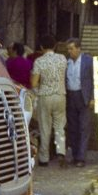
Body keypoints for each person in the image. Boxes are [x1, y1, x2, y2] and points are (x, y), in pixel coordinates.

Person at [30, 34, 68, 167]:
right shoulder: (62, 59)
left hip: (45, 97)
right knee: (59, 126)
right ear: (55, 45)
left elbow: (34, 83)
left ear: (41, 47)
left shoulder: (39, 61)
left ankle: (44, 158)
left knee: (45, 128)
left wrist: (38, 87)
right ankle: (61, 151)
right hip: (60, 95)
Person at [65, 38, 95, 167]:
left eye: (71, 48)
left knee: (84, 127)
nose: (69, 51)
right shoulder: (67, 62)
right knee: (73, 128)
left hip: (84, 96)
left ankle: (81, 158)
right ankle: (75, 155)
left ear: (78, 49)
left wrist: (93, 97)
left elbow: (94, 79)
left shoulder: (88, 61)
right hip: (71, 96)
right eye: (68, 49)